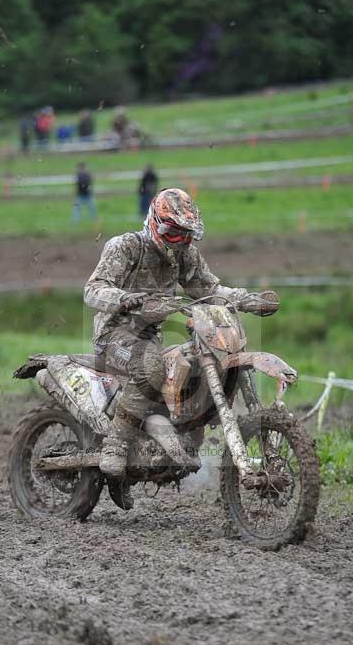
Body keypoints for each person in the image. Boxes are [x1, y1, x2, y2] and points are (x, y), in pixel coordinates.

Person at [84, 187, 278, 479]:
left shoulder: (185, 255)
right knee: (150, 366)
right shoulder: (126, 247)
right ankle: (116, 444)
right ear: (156, 224)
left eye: (187, 236)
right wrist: (125, 298)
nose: (180, 242)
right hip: (115, 334)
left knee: (191, 369)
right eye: (175, 234)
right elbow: (93, 289)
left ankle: (181, 439)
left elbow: (210, 290)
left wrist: (247, 299)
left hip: (150, 337)